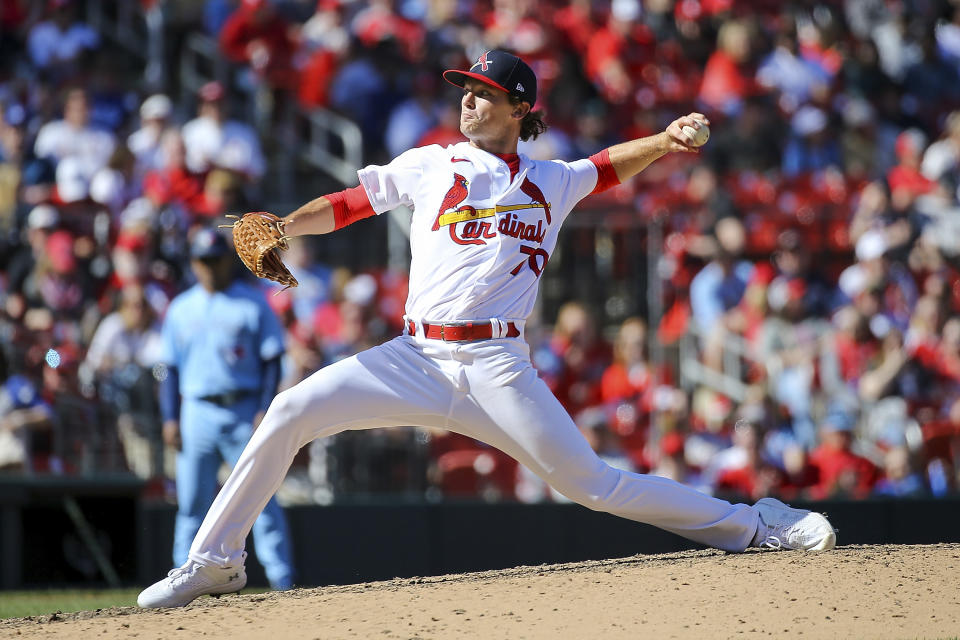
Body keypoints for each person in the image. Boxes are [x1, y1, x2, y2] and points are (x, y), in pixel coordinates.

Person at [138, 50, 836, 609]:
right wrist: (288, 225)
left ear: (519, 107)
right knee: (291, 410)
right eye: (464, 91)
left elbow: (606, 167)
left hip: (498, 364)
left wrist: (664, 139)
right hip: (415, 354)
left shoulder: (550, 181)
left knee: (592, 484)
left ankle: (754, 524)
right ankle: (215, 561)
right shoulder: (433, 162)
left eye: (482, 92)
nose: (467, 101)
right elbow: (353, 203)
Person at [154, 227, 295, 594]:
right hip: (196, 410)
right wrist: (170, 416)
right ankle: (181, 577)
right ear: (193, 263)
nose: (210, 268)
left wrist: (265, 408)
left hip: (242, 408)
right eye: (203, 261)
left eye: (215, 260)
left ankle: (281, 577)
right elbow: (167, 369)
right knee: (191, 502)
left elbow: (272, 360)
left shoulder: (251, 302)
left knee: (260, 498)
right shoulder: (181, 307)